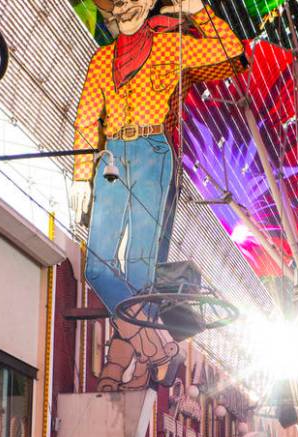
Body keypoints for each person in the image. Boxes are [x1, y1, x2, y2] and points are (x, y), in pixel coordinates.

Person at [70, 0, 245, 390]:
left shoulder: (169, 46)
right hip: (112, 158)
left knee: (138, 268)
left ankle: (131, 367)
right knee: (97, 267)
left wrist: (200, 11)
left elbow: (231, 50)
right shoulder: (102, 59)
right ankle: (156, 347)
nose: (127, 5)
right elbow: (86, 116)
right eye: (117, 1)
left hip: (152, 152)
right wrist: (82, 177)